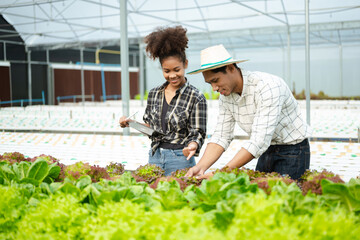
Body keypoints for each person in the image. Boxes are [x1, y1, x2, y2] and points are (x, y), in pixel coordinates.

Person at [185, 44, 312, 180]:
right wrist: (200, 167)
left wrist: (222, 172)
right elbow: (222, 135)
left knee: (285, 198)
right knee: (260, 196)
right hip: (266, 150)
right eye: (209, 83)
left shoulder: (268, 87)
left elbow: (259, 140)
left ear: (231, 68)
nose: (214, 88)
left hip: (292, 150)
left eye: (215, 81)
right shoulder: (226, 97)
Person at [119, 26, 207, 176]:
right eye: (167, 71)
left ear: (185, 64)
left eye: (176, 70)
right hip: (155, 157)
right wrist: (130, 123)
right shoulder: (154, 94)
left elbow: (197, 132)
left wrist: (192, 146)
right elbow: (151, 129)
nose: (172, 75)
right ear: (162, 68)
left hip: (181, 158)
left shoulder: (196, 97)